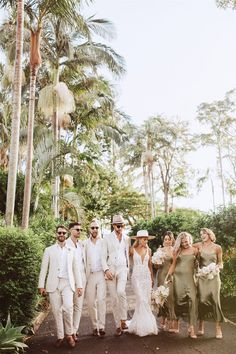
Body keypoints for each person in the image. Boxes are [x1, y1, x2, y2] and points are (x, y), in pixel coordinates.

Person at [38, 225, 83, 348]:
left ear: (66, 234)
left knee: (68, 308)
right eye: (59, 233)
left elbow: (76, 270)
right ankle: (60, 336)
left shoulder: (71, 251)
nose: (61, 234)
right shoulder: (49, 250)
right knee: (56, 311)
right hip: (53, 284)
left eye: (63, 233)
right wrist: (41, 285)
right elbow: (44, 269)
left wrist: (79, 286)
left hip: (67, 283)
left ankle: (69, 334)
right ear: (56, 234)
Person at [101, 214, 130, 336]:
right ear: (113, 226)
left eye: (122, 225)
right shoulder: (107, 238)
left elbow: (127, 253)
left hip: (122, 268)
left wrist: (128, 269)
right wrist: (106, 270)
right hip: (111, 269)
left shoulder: (127, 238)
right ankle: (118, 325)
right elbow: (103, 256)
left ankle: (124, 319)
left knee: (121, 292)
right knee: (113, 298)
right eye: (118, 225)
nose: (120, 227)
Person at [194, 228, 224, 339]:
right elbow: (186, 247)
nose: (202, 235)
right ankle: (201, 325)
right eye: (201, 234)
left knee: (215, 301)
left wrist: (216, 268)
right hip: (202, 277)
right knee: (202, 300)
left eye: (204, 233)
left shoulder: (217, 247)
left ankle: (218, 328)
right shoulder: (198, 246)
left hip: (214, 277)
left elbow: (220, 263)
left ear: (210, 234)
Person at [167, 232, 198, 338]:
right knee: (179, 302)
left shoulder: (195, 250)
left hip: (190, 279)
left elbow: (198, 264)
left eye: (187, 241)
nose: (185, 243)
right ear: (180, 242)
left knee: (193, 300)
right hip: (178, 279)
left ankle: (192, 328)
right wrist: (168, 276)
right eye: (183, 242)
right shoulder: (177, 251)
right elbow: (173, 265)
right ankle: (176, 322)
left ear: (190, 239)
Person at [128, 230, 158, 337]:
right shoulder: (132, 250)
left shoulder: (149, 250)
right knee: (141, 299)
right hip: (136, 277)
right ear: (139, 239)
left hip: (146, 278)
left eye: (146, 239)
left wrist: (151, 277)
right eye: (144, 239)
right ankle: (142, 326)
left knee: (146, 301)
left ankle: (146, 326)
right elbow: (126, 262)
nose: (146, 241)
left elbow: (149, 264)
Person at [84, 219, 106, 336]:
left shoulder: (104, 242)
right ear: (89, 229)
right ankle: (94, 326)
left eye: (97, 227)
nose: (95, 230)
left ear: (99, 229)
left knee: (101, 300)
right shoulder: (84, 243)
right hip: (90, 275)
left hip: (101, 274)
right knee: (91, 302)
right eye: (93, 228)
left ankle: (101, 327)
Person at [66, 222, 87, 341]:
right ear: (70, 230)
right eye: (77, 229)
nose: (79, 231)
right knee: (69, 306)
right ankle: (68, 331)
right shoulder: (66, 244)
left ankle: (74, 330)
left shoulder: (81, 245)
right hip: (69, 279)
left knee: (78, 306)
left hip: (82, 279)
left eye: (80, 229)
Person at [156, 231, 178, 332]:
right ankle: (163, 319)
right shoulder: (159, 250)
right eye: (165, 239)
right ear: (163, 240)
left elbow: (175, 264)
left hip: (170, 275)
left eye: (169, 239)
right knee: (161, 297)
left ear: (172, 240)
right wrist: (157, 261)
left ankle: (171, 320)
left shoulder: (175, 250)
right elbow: (156, 266)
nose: (167, 241)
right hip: (161, 275)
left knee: (170, 297)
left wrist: (170, 275)